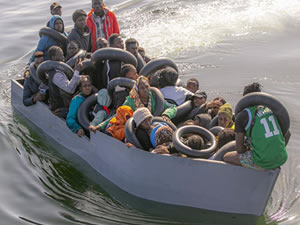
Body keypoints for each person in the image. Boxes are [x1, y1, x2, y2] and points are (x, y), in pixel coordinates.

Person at [223, 83, 291, 170]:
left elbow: (239, 149)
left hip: (262, 161)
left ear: (244, 98)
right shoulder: (270, 110)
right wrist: (274, 152)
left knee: (226, 157)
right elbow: (287, 134)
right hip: (281, 159)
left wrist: (247, 150)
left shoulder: (242, 116)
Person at [47, 46, 83, 118]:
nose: (63, 56)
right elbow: (70, 89)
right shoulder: (56, 74)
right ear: (53, 57)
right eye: (60, 55)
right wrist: (77, 71)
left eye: (63, 54)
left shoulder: (60, 69)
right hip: (61, 108)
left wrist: (81, 77)